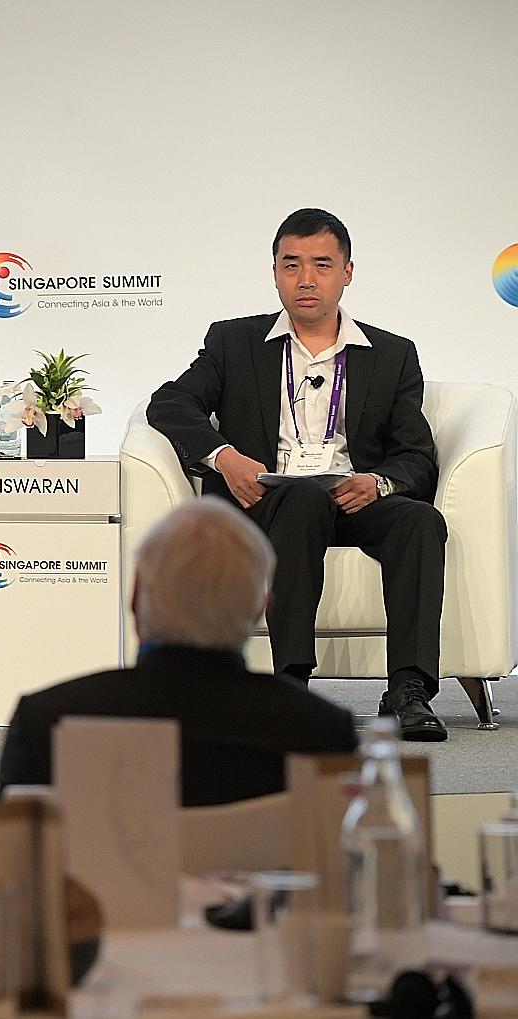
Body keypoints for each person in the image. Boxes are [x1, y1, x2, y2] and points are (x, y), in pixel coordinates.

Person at [146, 208, 447, 741]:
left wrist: (377, 483)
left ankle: (409, 689)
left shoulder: (392, 355)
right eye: (292, 265)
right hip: (267, 500)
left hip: (353, 497)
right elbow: (169, 404)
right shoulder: (233, 343)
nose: (306, 279)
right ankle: (290, 683)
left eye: (322, 265)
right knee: (304, 501)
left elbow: (417, 458)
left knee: (419, 522)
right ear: (275, 271)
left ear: (347, 273)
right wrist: (223, 456)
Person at [0, 499, 357, 806]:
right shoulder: (322, 733)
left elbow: (9, 873)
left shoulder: (48, 722)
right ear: (260, 609)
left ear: (135, 598)